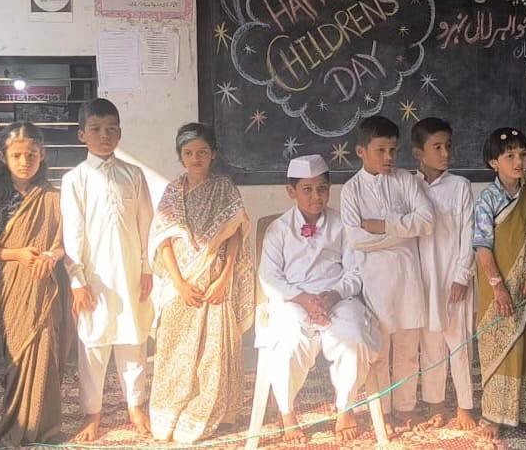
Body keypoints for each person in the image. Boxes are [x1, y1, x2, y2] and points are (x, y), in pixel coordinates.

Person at [258, 154, 381, 443]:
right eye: (307, 189)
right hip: (293, 301)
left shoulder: (343, 225)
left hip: (336, 297)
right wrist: (303, 299)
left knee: (353, 335)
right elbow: (269, 278)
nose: (316, 196)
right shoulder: (278, 229)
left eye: (322, 188)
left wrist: (333, 295)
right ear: (291, 191)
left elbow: (355, 271)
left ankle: (345, 407)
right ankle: (287, 413)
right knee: (288, 341)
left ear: (330, 189)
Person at [148, 122, 253, 443]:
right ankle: (170, 411)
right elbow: (163, 241)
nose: (196, 158)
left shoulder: (224, 188)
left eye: (202, 152)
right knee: (174, 351)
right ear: (180, 156)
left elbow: (235, 235)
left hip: (215, 282)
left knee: (214, 353)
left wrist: (225, 278)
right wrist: (179, 283)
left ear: (213, 155)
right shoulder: (172, 192)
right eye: (189, 153)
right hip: (180, 285)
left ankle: (207, 412)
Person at [0, 122, 71, 445]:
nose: (24, 161)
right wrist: (18, 254)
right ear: (4, 157)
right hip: (15, 283)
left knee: (47, 350)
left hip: (46, 284)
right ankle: (16, 423)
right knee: (17, 352)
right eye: (16, 155)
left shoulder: (55, 197)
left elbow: (65, 244)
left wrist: (51, 257)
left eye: (31, 154)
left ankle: (47, 428)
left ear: (43, 155)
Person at [61, 98, 154, 442]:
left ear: (120, 134)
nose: (105, 135)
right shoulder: (75, 179)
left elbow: (147, 224)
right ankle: (93, 413)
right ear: (81, 134)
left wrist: (147, 269)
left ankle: (136, 406)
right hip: (93, 278)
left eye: (112, 129)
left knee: (134, 339)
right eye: (96, 129)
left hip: (131, 274)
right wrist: (77, 280)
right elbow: (72, 233)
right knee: (93, 344)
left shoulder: (134, 175)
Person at [340, 116, 433, 428]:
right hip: (374, 281)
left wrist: (383, 225)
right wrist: (404, 232)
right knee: (379, 350)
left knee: (408, 349)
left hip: (407, 277)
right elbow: (357, 240)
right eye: (381, 150)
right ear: (361, 151)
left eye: (393, 150)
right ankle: (382, 410)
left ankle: (405, 406)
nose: (389, 157)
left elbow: (426, 221)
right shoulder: (351, 190)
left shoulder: (405, 180)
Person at [472, 128, 526, 439]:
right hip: (498, 287)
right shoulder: (488, 199)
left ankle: (525, 410)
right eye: (510, 156)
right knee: (498, 344)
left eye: (522, 155)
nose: (519, 161)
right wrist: (498, 287)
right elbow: (482, 247)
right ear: (494, 163)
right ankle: (494, 414)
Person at [410, 118, 476, 431]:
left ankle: (464, 406)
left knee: (459, 343)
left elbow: (468, 234)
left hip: (453, 277)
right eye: (437, 147)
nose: (445, 153)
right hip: (422, 280)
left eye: (448, 146)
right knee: (430, 344)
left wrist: (462, 275)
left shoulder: (460, 186)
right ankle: (435, 403)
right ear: (418, 153)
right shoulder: (407, 186)